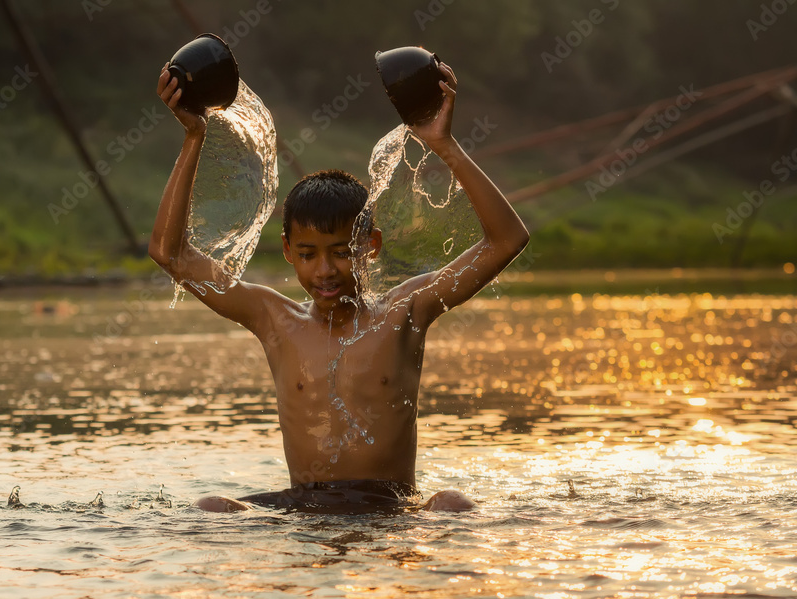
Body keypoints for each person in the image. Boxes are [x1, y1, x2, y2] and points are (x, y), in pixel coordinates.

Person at [150, 60, 529, 513]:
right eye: (308, 255)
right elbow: (169, 253)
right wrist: (195, 136)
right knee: (211, 506)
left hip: (387, 507)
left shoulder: (404, 312)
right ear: (288, 252)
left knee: (450, 503)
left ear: (370, 246)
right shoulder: (273, 318)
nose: (325, 270)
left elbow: (507, 240)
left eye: (342, 251)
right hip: (302, 507)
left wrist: (442, 144)